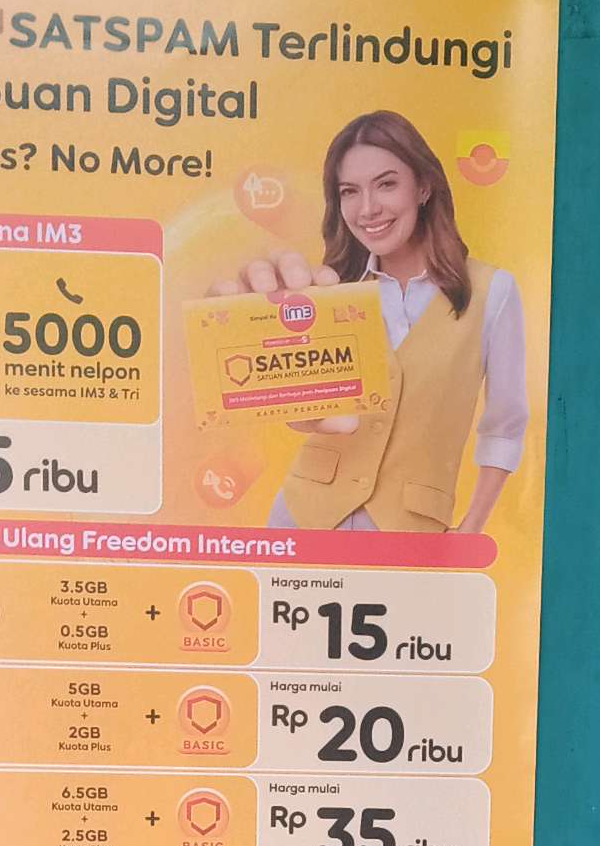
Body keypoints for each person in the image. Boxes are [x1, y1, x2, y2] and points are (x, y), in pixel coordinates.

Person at [209, 110, 529, 536]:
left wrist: (472, 527)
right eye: (349, 191)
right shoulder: (330, 289)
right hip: (304, 517)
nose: (368, 209)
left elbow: (505, 424)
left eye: (386, 184)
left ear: (423, 186)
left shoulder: (493, 291)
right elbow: (301, 411)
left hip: (412, 530)